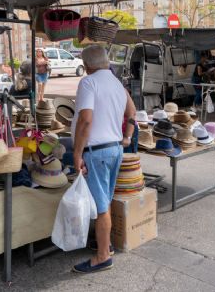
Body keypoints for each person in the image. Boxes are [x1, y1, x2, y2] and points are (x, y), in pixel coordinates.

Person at [71, 45, 136, 273]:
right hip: (115, 149)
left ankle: (102, 257)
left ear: (87, 65)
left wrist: (77, 153)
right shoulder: (117, 84)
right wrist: (127, 136)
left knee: (101, 207)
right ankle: (105, 244)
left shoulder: (89, 82)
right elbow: (132, 112)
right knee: (104, 201)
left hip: (96, 151)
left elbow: (86, 120)